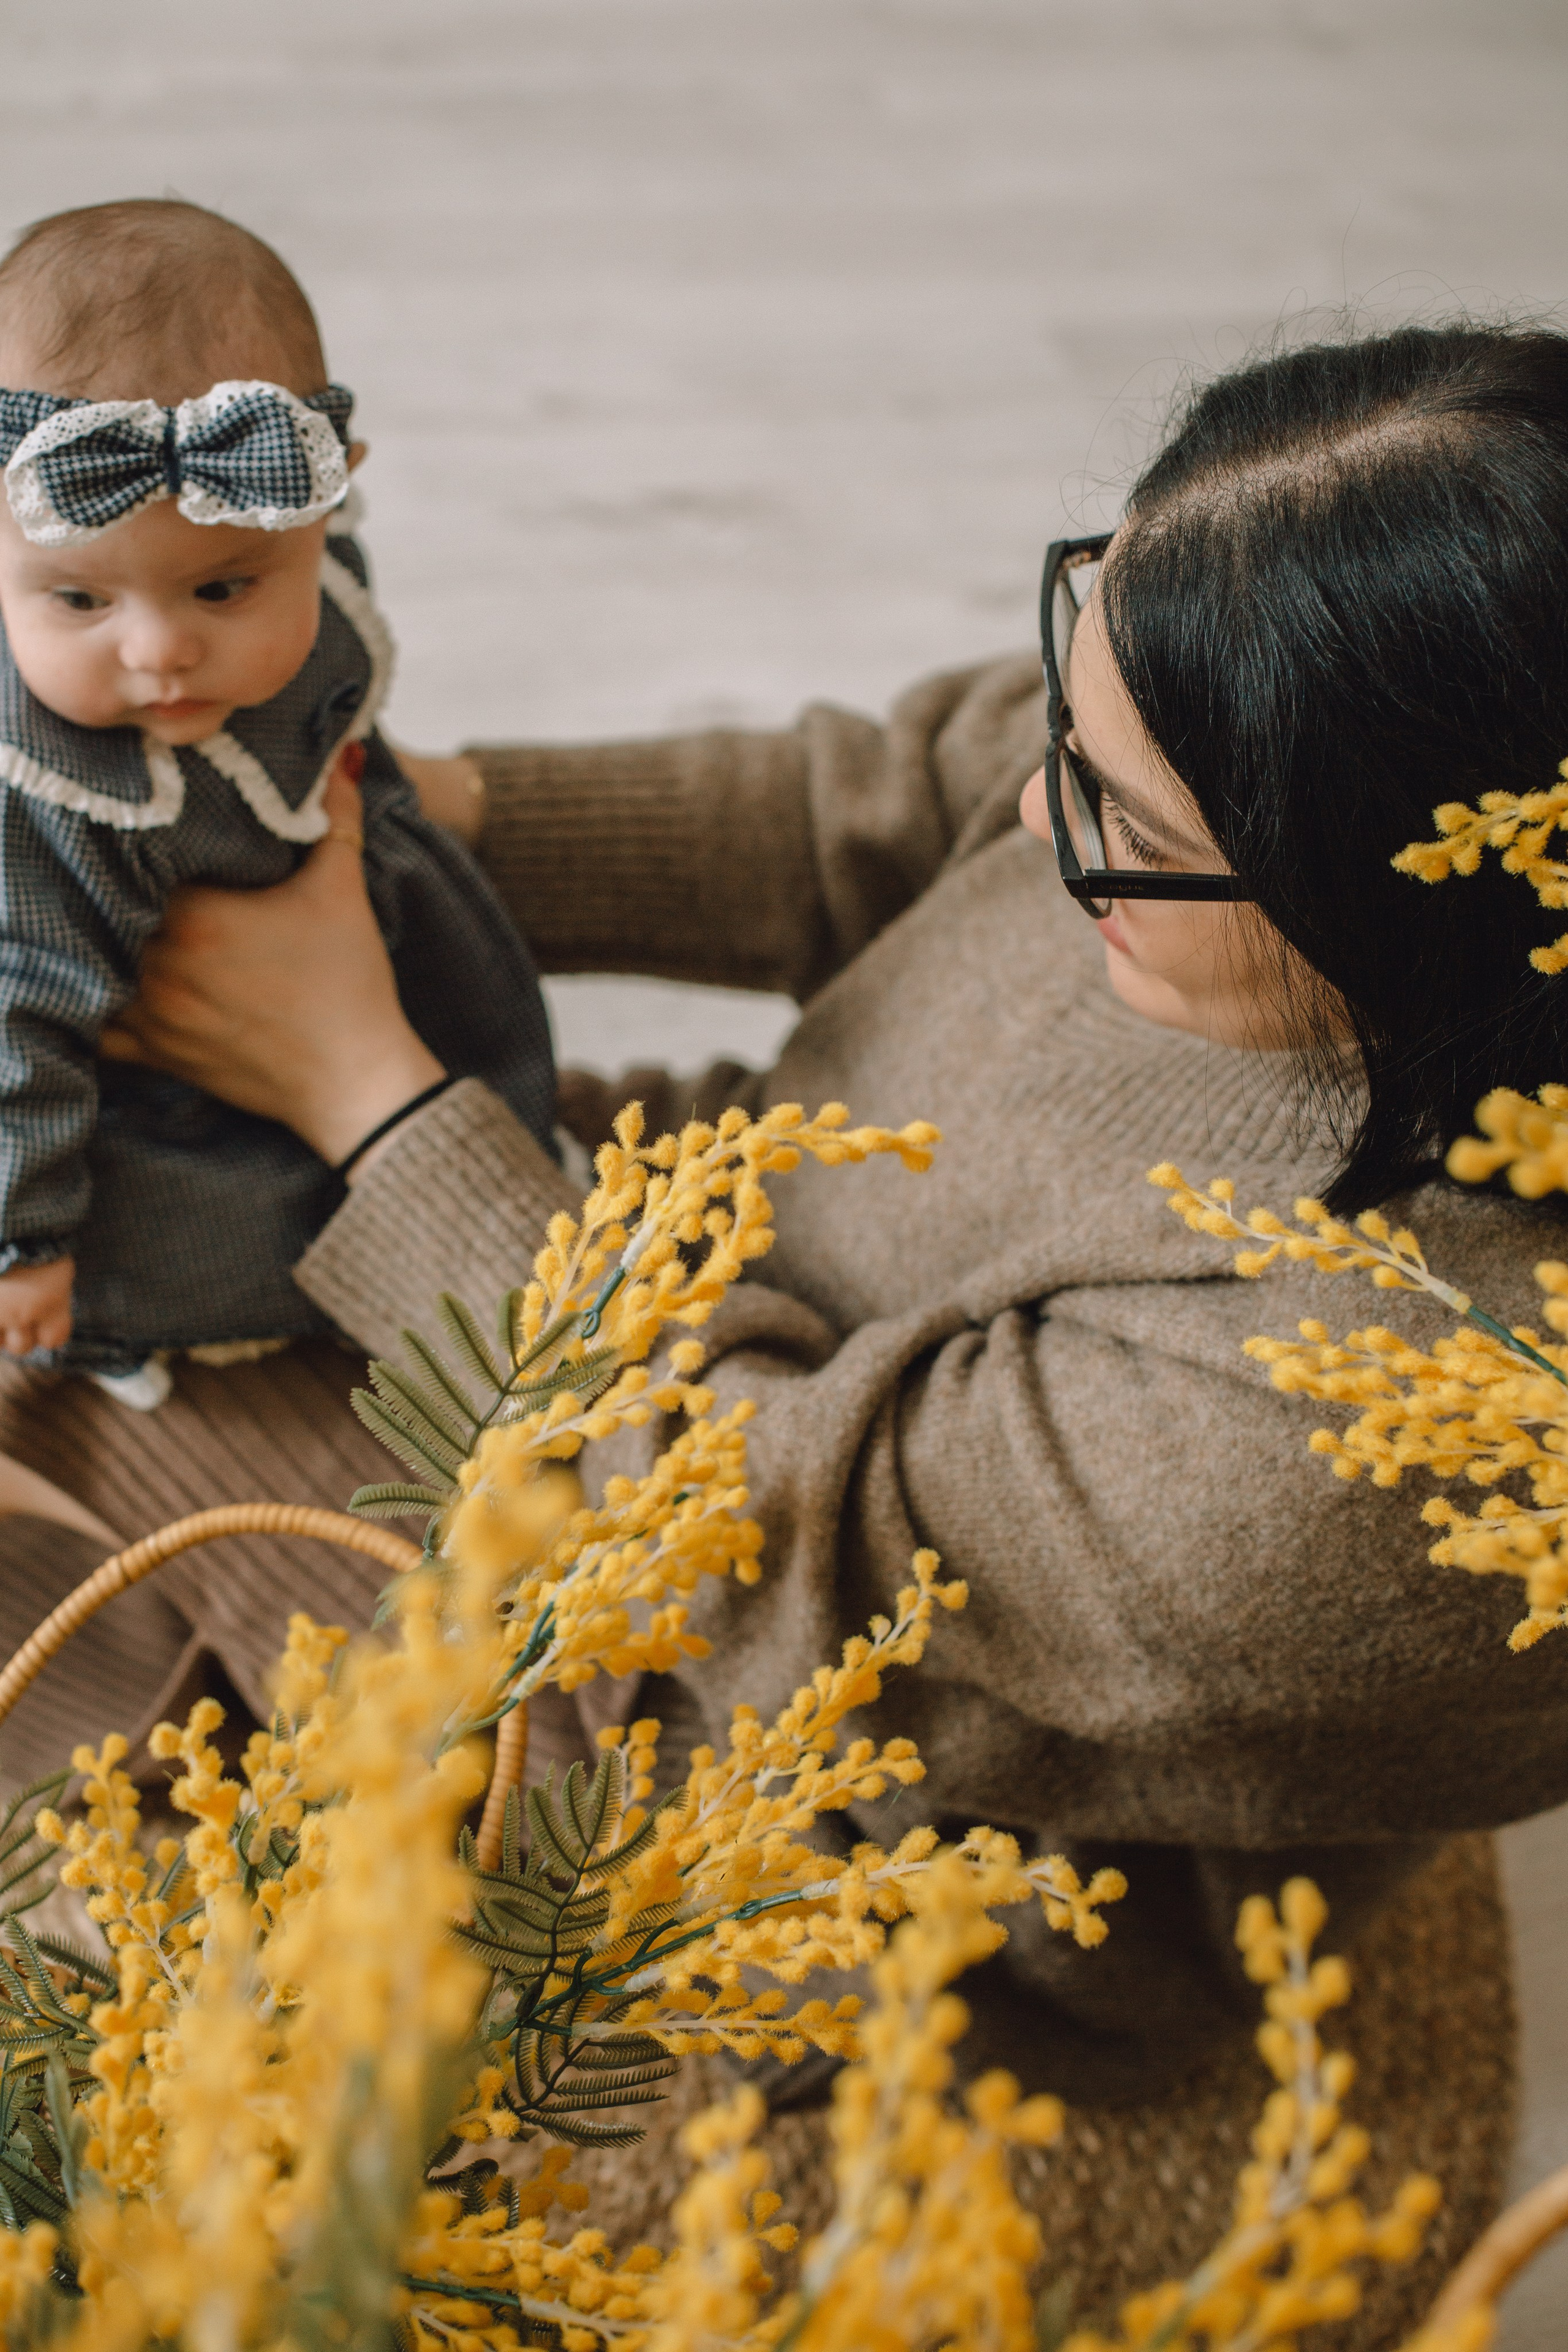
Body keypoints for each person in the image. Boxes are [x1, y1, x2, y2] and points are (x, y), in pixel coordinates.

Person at [2, 317, 1564, 2329]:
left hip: (805, 1733)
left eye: (1126, 832)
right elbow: (901, 795)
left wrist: (361, 1087)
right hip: (713, 1273)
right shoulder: (1236, 734)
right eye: (1070, 734)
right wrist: (377, 823)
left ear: (1410, 911)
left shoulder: (1395, 1447)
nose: (1031, 829)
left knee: (77, 1460)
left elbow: (744, 1544)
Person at [0, 198, 554, 1403]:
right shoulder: (41, 792)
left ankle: (496, 1166)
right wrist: (23, 1241)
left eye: (222, 587)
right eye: (80, 603)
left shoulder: (314, 593)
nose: (159, 653)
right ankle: (132, 1324)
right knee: (203, 1244)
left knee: (491, 1042)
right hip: (143, 1105)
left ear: (327, 504)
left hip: (374, 973)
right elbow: (17, 1030)